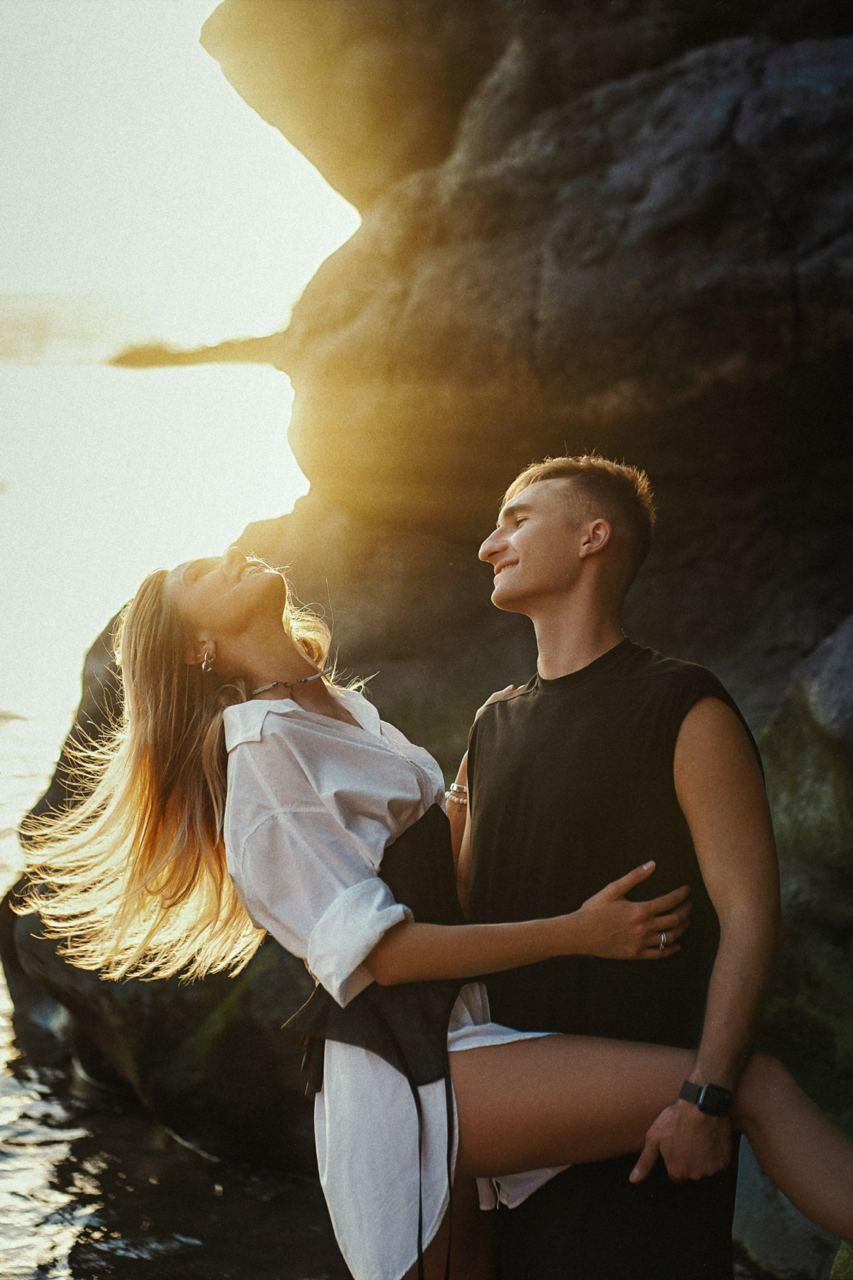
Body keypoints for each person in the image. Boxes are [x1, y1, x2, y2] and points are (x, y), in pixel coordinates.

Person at [20, 546, 853, 1280]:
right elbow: (380, 954)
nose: (228, 556)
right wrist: (577, 933)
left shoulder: (339, 710)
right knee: (747, 1082)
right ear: (196, 647)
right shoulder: (261, 745)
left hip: (461, 1041)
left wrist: (507, 755)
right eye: (201, 574)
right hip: (407, 1070)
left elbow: (437, 858)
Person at [461, 453, 786, 1279]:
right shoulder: (491, 725)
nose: (488, 545)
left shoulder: (683, 703)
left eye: (517, 518)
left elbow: (750, 916)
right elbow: (458, 916)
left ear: (591, 537)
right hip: (522, 1139)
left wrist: (705, 1097)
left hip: (656, 1130)